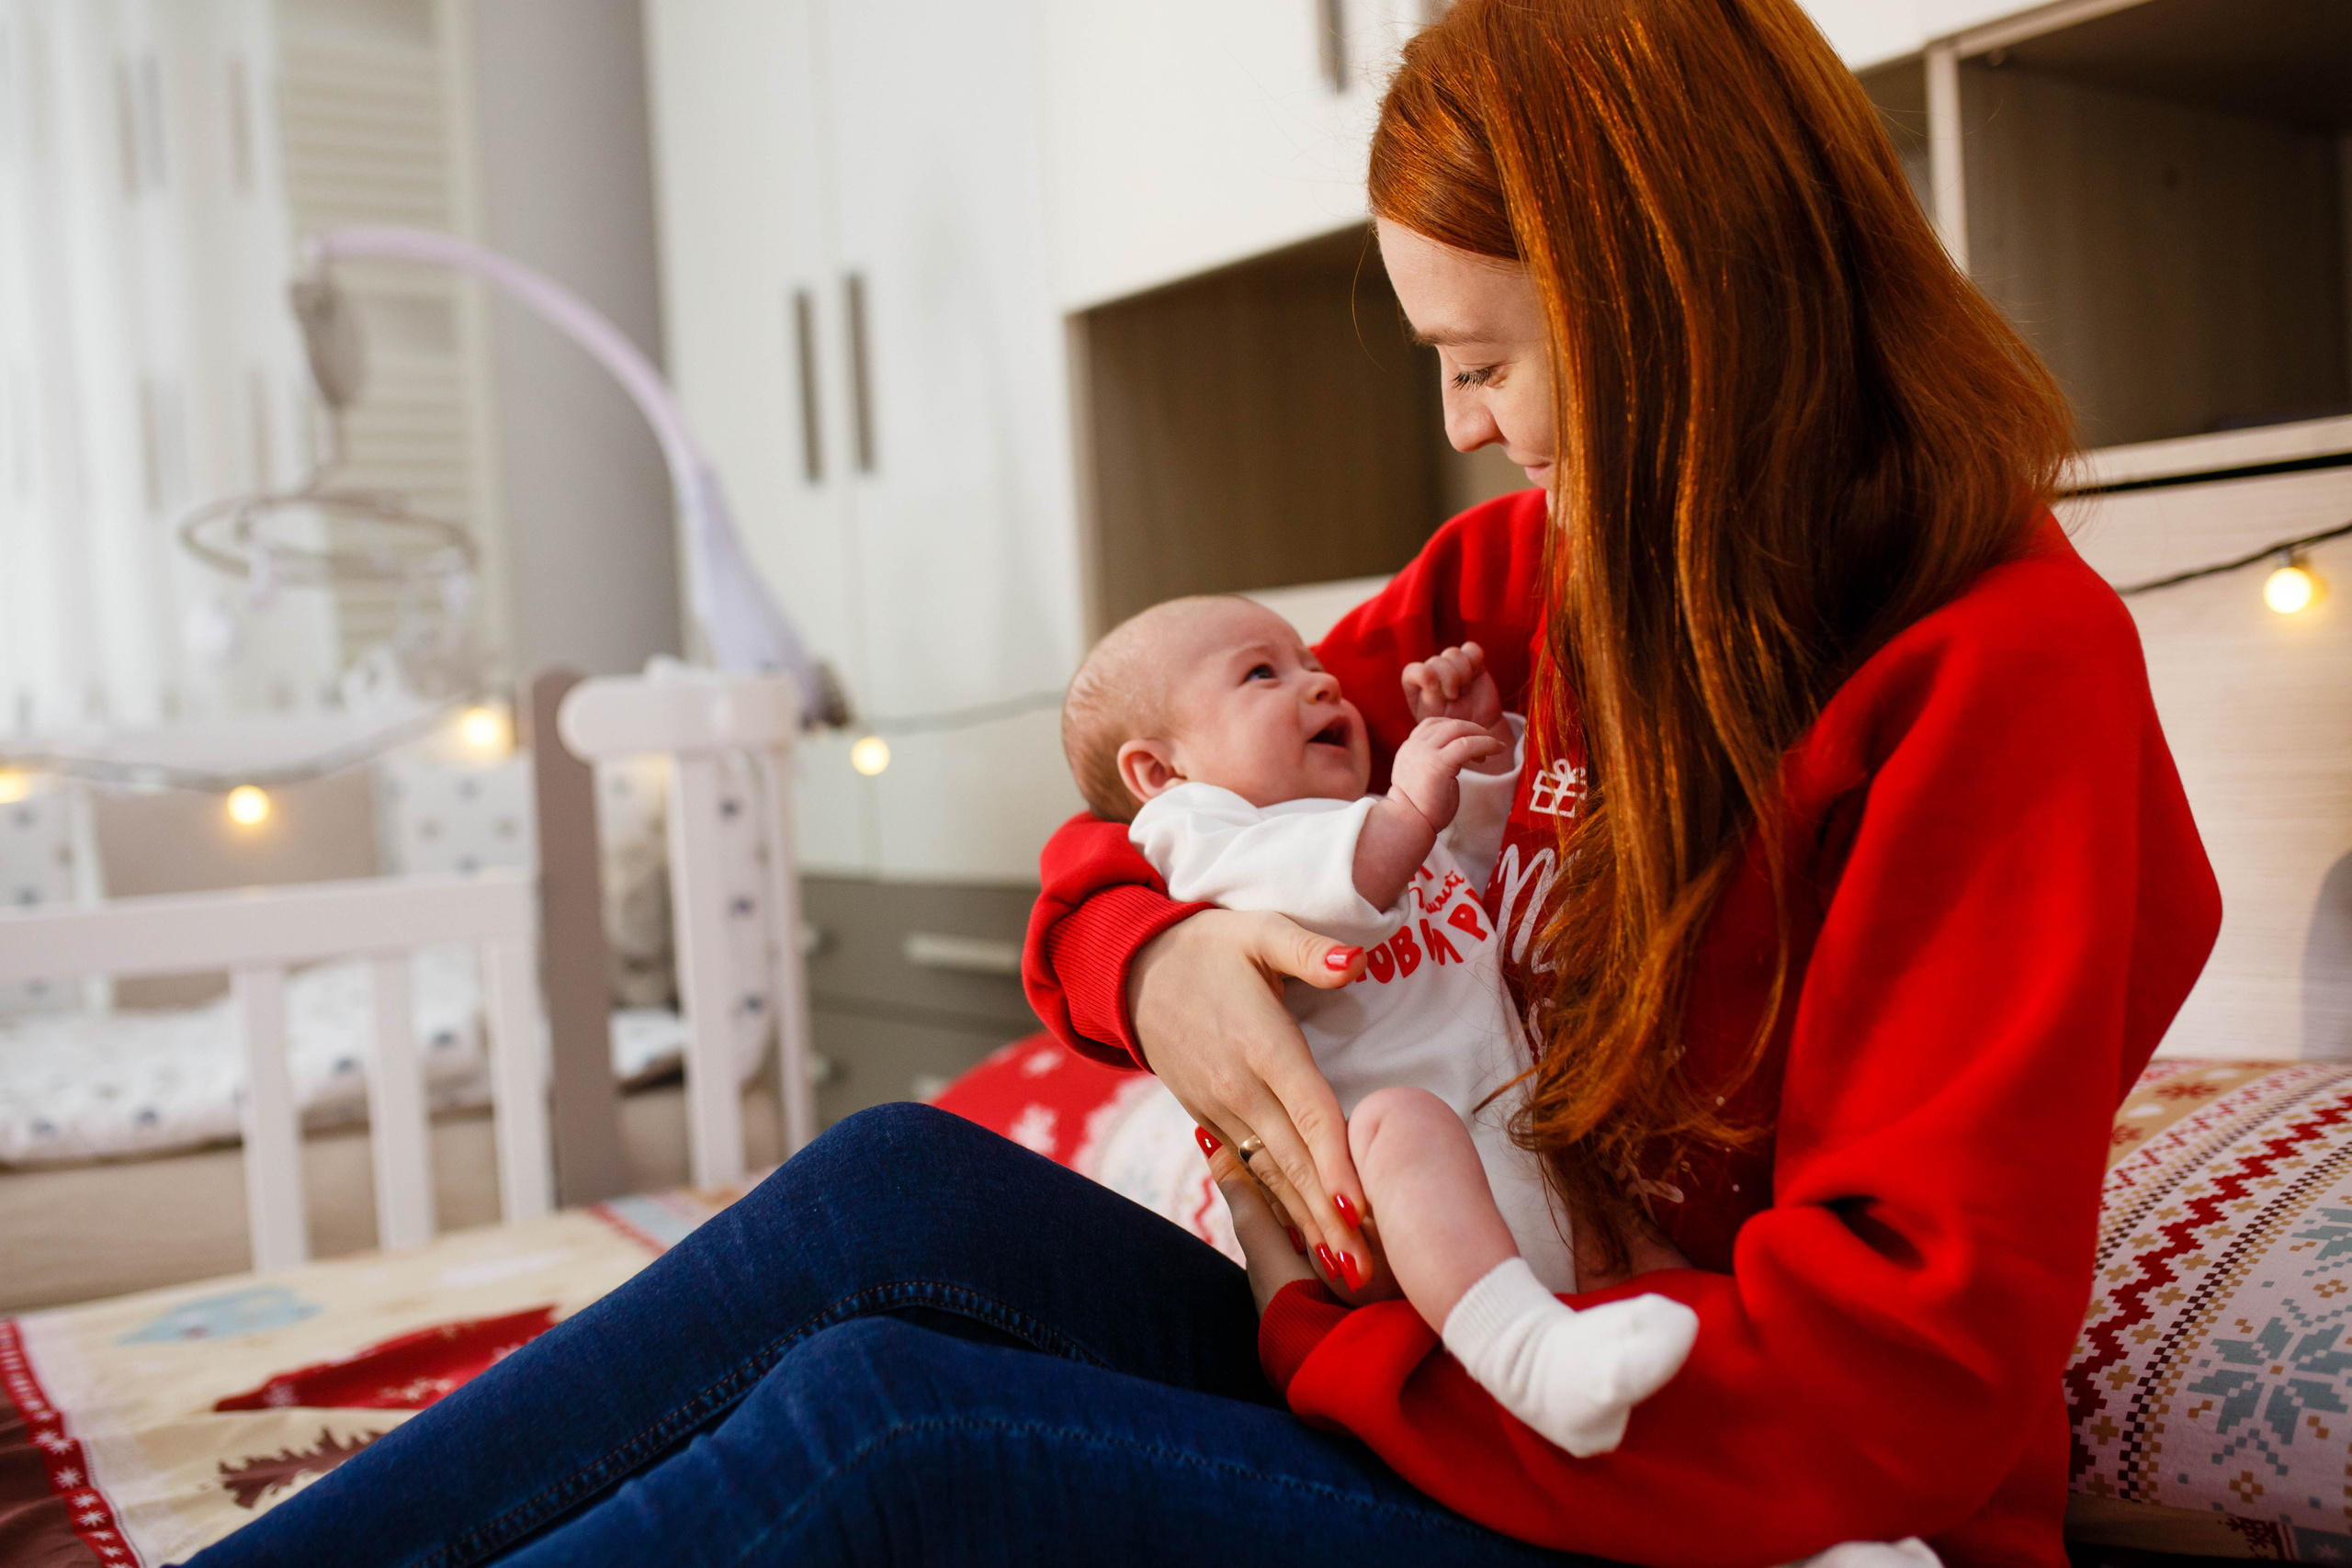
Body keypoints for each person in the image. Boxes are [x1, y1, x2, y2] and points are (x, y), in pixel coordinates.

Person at [185, 2, 2219, 1564]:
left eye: (1490, 354)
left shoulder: (1997, 675)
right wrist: (1152, 964)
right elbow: (1145, 803)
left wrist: (1323, 1332)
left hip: (1720, 1508)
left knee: (891, 1434)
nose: (1462, 418)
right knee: (890, 1184)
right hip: (1463, 1386)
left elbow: (1899, 1378)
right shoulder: (1526, 582)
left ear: (1680, 315)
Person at [1061, 592, 1699, 1458]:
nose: (1323, 684)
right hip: (1395, 1207)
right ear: (1159, 771)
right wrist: (1408, 807)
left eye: (1315, 664)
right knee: (1400, 1124)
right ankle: (1518, 1350)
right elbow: (1330, 889)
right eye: (1263, 673)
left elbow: (1476, 873)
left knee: (1666, 1309)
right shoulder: (1197, 835)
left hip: (1525, 1142)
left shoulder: (1361, 815)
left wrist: (1482, 755)